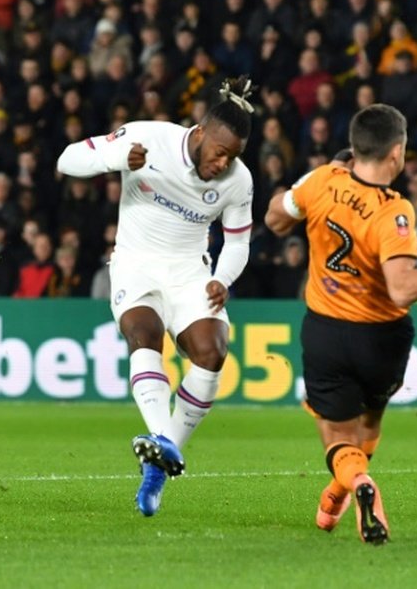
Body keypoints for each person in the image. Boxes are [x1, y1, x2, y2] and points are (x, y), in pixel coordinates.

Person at [264, 104, 417, 545]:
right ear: (396, 154)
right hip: (383, 339)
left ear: (354, 146)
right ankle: (337, 494)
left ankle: (353, 484)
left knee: (335, 434)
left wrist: (304, 189)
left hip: (326, 330)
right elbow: (403, 290)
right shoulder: (394, 212)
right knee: (368, 424)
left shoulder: (321, 180)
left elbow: (275, 218)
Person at [56, 77, 256, 517]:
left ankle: (160, 459)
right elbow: (67, 159)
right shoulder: (147, 137)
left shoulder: (239, 181)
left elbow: (238, 242)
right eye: (220, 152)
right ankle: (163, 450)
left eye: (234, 156)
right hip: (136, 263)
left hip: (190, 272)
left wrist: (222, 277)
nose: (223, 164)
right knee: (144, 334)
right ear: (199, 133)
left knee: (212, 351)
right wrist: (112, 158)